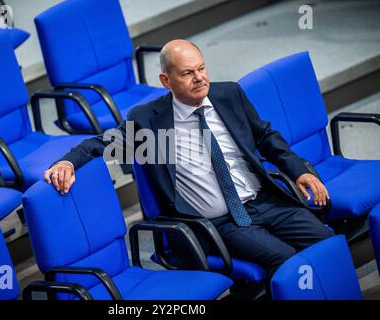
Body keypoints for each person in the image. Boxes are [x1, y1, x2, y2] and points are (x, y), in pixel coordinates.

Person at [44, 39, 333, 276]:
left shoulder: (228, 94)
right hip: (220, 223)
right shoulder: (149, 121)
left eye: (202, 68)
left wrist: (299, 171)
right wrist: (67, 162)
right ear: (165, 80)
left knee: (327, 244)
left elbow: (265, 137)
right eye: (187, 73)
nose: (199, 79)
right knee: (286, 260)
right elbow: (101, 143)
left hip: (264, 200)